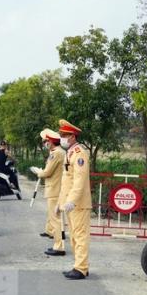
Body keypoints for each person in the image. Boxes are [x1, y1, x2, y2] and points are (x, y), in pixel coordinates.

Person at [57, 119, 92, 280]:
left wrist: (71, 200)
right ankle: (79, 265)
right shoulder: (70, 153)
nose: (61, 138)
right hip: (71, 203)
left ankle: (81, 268)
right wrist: (61, 203)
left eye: (63, 135)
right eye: (60, 135)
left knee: (80, 235)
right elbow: (66, 182)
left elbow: (79, 180)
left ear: (72, 136)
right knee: (74, 236)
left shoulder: (79, 154)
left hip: (78, 203)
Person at [30, 129, 65, 256]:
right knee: (54, 218)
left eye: (46, 141)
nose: (45, 143)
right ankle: (57, 242)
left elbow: (47, 172)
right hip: (57, 188)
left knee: (55, 218)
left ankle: (59, 247)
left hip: (54, 189)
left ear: (51, 142)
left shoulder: (55, 154)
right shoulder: (60, 152)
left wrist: (37, 171)